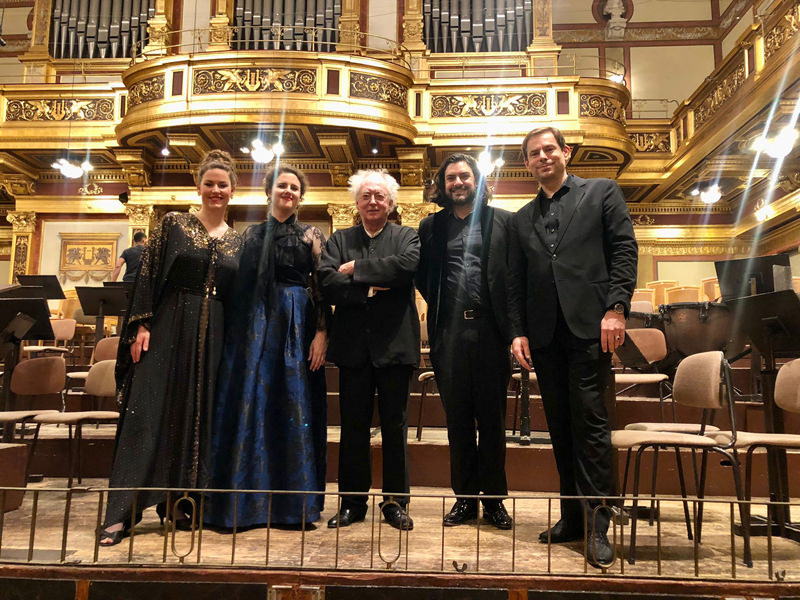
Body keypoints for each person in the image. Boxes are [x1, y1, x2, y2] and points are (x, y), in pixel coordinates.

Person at [508, 126, 638, 566]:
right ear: (527, 163)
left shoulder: (602, 192)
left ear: (566, 152)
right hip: (545, 335)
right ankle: (572, 518)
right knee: (561, 428)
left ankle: (599, 522)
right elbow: (515, 282)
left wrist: (616, 308)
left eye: (549, 150)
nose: (542, 157)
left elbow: (623, 250)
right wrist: (518, 330)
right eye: (533, 154)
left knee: (592, 426)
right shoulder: (522, 217)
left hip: (590, 328)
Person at [100, 150, 243, 545]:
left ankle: (181, 502)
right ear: (199, 187)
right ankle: (120, 513)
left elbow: (238, 297)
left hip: (214, 332)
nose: (216, 190)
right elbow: (146, 275)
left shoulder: (236, 240)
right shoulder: (173, 224)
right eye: (209, 184)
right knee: (148, 411)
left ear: (234, 190)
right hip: (167, 325)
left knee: (199, 414)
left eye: (223, 185)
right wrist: (142, 325)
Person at [205, 165, 330, 528]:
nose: (288, 192)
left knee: (292, 405)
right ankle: (246, 505)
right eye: (282, 186)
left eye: (294, 187)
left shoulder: (311, 235)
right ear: (269, 192)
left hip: (296, 323)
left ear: (300, 196)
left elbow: (321, 287)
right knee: (253, 405)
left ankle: (294, 507)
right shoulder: (249, 236)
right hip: (254, 328)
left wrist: (322, 333)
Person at [417, 153, 513, 530]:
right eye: (451, 177)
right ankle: (464, 500)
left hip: (490, 332)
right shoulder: (431, 226)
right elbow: (423, 276)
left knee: (492, 422)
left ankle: (494, 501)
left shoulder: (502, 221)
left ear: (478, 181)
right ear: (443, 185)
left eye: (465, 176)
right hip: (449, 334)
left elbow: (513, 277)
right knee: (457, 422)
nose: (458, 182)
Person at [319, 170, 420, 531]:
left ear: (391, 203)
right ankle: (352, 503)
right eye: (366, 196)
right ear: (357, 203)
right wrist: (374, 287)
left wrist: (357, 269)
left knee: (396, 428)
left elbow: (406, 268)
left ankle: (395, 503)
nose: (373, 201)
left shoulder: (407, 235)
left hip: (396, 348)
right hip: (353, 349)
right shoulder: (339, 239)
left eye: (380, 196)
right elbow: (329, 283)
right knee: (353, 429)